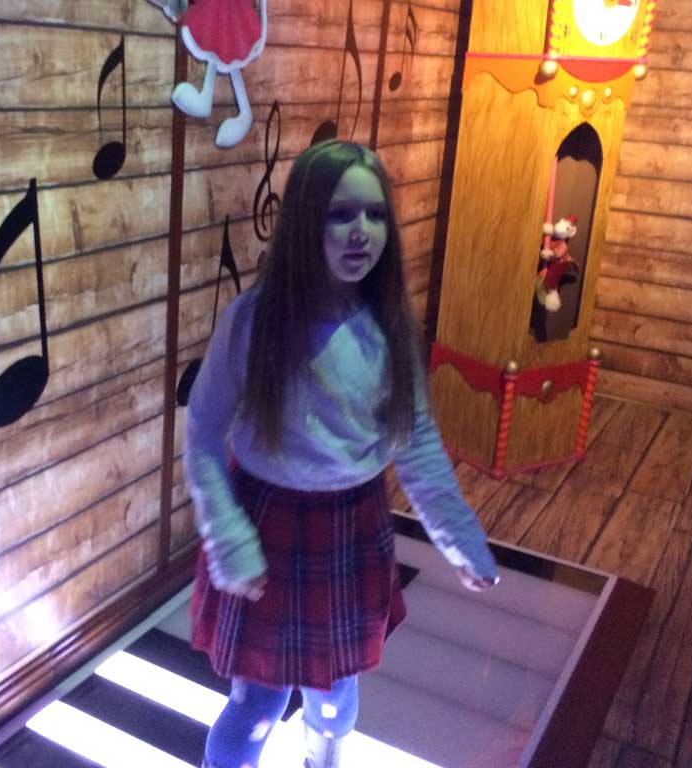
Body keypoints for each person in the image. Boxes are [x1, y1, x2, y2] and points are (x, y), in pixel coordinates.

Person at [184, 140, 499, 768]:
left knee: (336, 693)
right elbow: (203, 432)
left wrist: (460, 535)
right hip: (268, 526)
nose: (362, 231)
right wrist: (229, 537)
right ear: (305, 220)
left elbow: (417, 443)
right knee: (257, 700)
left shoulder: (390, 327)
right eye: (340, 214)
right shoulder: (253, 321)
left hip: (351, 529)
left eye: (375, 214)